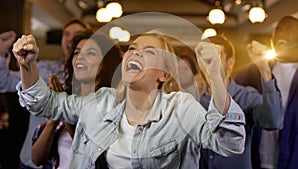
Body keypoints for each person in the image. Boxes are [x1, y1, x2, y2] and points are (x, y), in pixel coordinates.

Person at [13, 32, 246, 168]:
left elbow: (229, 143)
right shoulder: (100, 102)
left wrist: (215, 74)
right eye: (133, 48)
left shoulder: (180, 107)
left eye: (149, 51)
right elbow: (45, 104)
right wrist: (27, 65)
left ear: (164, 74)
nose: (135, 52)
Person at [0, 19, 92, 168]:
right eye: (66, 34)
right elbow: (4, 82)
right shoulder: (43, 68)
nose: (70, 38)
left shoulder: (96, 84)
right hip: (33, 160)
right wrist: (2, 50)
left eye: (77, 34)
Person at [31, 31, 123, 168]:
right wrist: (54, 119)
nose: (80, 57)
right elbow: (37, 159)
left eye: (90, 53)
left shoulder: (111, 104)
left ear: (105, 63)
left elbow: (91, 154)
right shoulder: (65, 99)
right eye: (77, 53)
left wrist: (64, 114)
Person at [198, 35, 283, 169]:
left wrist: (264, 69)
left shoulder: (246, 97)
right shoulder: (195, 100)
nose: (209, 62)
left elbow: (273, 121)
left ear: (230, 63)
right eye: (204, 57)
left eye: (216, 56)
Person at [246, 16, 298, 169]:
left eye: (288, 29)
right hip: (259, 159)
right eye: (278, 30)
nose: (281, 33)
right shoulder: (257, 71)